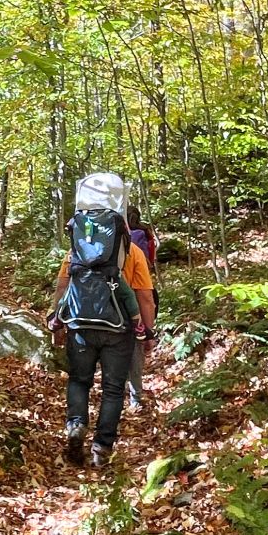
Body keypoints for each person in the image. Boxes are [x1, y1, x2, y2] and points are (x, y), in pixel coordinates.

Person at [49, 173, 155, 469]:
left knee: (79, 380)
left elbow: (63, 287)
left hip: (79, 324)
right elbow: (145, 297)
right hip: (118, 328)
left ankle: (76, 426)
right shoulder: (132, 252)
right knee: (112, 388)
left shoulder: (76, 252)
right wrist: (148, 333)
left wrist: (57, 319)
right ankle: (101, 447)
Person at [124, 204, 158, 407]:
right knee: (137, 344)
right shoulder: (144, 233)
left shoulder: (111, 237)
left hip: (112, 300)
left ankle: (117, 392)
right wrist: (150, 329)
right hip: (140, 286)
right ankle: (135, 397)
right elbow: (151, 259)